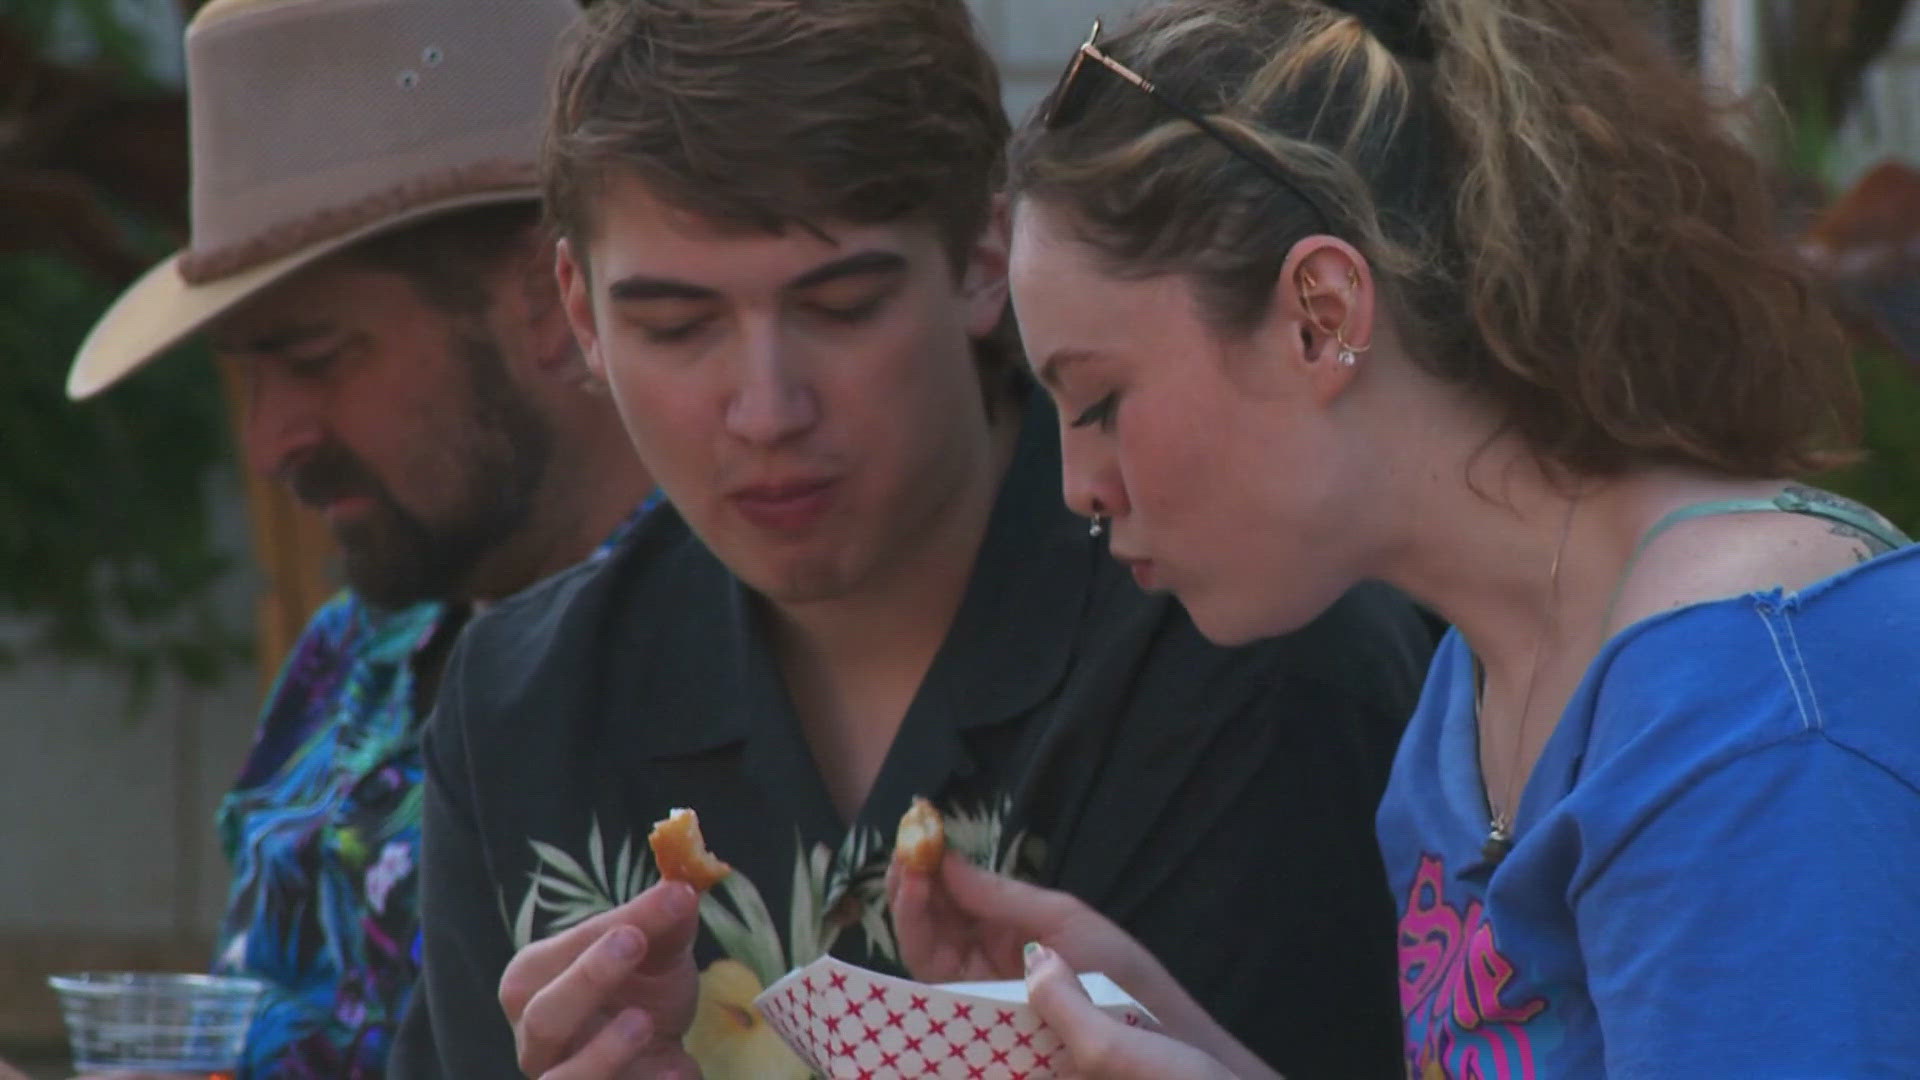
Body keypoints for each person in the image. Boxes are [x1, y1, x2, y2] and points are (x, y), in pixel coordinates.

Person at [869, 0, 1920, 1077]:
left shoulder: (1741, 699)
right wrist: (1148, 1030)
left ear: (1319, 316)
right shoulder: (1466, 703)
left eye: (1096, 402)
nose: (1079, 490)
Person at [388, 1, 1437, 1078]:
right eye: (678, 327)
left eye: (841, 306)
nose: (766, 408)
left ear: (987, 254)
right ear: (579, 312)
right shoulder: (522, 710)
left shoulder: (1244, 645)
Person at [47, 0, 654, 1075]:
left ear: (547, 300)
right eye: (246, 370)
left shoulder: (730, 653)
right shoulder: (353, 652)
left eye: (318, 355)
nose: (271, 441)